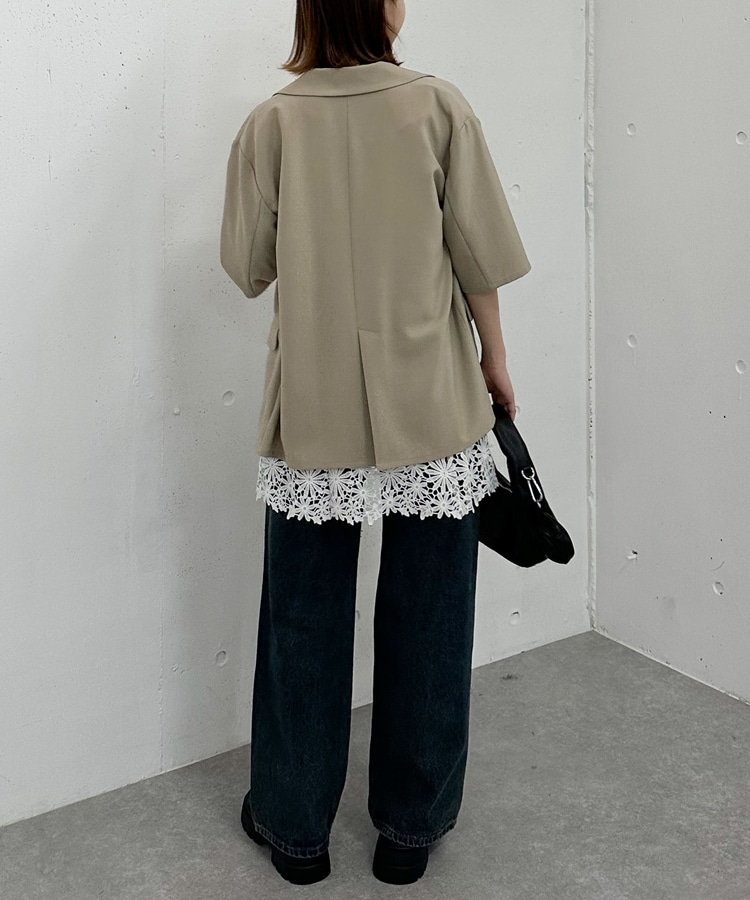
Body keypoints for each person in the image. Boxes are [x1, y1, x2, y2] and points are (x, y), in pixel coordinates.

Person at [220, 0, 531, 887]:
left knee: (302, 618)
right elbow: (479, 260)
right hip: (431, 400)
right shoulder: (438, 107)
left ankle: (295, 832)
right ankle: (409, 832)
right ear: (383, 6)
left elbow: (247, 267)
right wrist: (495, 361)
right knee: (432, 615)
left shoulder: (271, 123)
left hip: (313, 407)